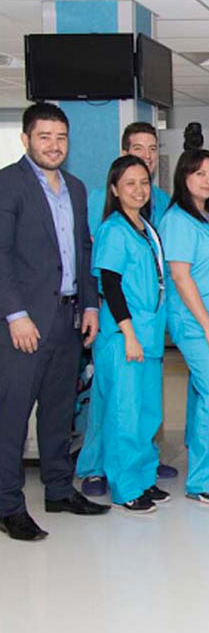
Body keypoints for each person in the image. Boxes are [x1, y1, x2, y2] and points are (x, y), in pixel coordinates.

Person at [0, 103, 107, 541]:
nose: (54, 145)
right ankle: (8, 503)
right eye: (44, 136)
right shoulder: (8, 184)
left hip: (68, 318)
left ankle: (60, 489)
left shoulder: (76, 188)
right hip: (24, 323)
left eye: (60, 137)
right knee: (12, 414)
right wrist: (16, 314)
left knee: (60, 412)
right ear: (26, 140)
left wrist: (90, 305)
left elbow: (83, 250)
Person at [91, 155, 169, 513]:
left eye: (143, 182)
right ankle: (125, 487)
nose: (139, 190)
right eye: (129, 184)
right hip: (125, 337)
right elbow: (111, 283)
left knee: (147, 413)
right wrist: (130, 334)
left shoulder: (145, 228)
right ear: (114, 189)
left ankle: (143, 478)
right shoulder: (114, 229)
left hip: (149, 337)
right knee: (125, 413)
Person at [160, 149, 209, 505]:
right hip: (199, 324)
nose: (207, 180)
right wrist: (206, 324)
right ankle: (203, 480)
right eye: (199, 173)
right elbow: (180, 275)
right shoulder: (177, 219)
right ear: (183, 177)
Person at [86, 122, 170, 236]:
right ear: (124, 154)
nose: (147, 155)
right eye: (138, 148)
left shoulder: (163, 200)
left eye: (152, 149)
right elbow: (92, 243)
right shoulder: (101, 198)